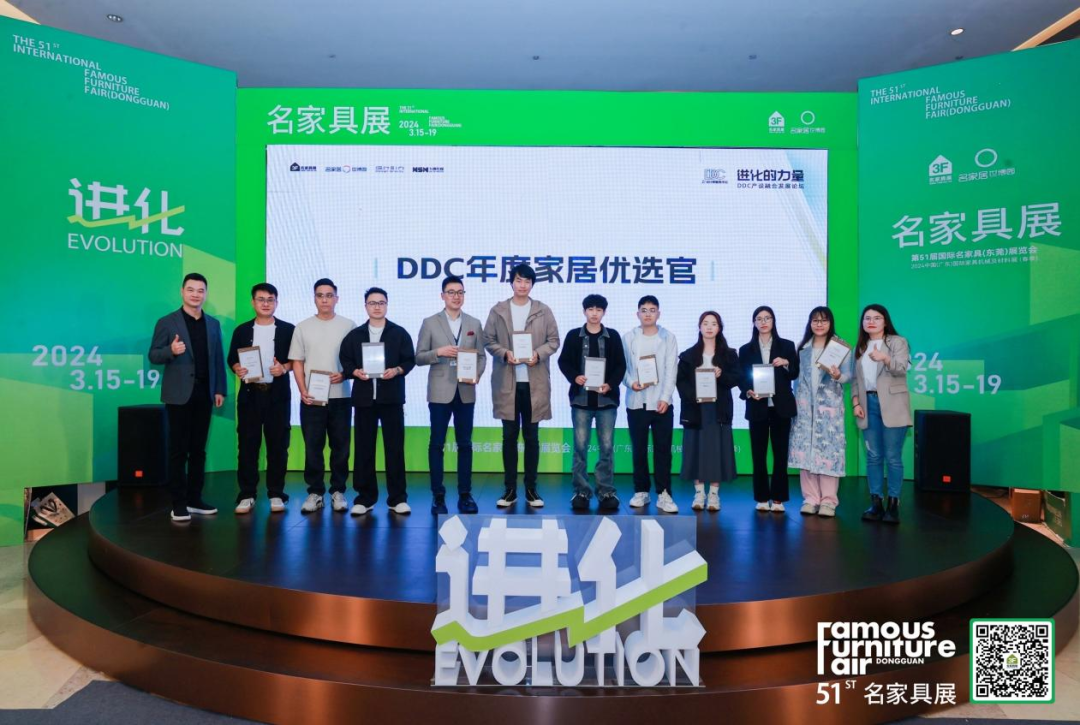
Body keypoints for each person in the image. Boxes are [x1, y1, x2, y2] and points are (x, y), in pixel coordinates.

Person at [147, 273, 226, 523]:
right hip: (178, 395)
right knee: (178, 451)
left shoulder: (213, 324)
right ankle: (178, 503)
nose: (195, 294)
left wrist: (219, 389)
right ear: (182, 292)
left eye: (200, 290)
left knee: (198, 451)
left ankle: (195, 499)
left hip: (205, 394)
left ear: (206, 294)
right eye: (191, 290)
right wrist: (170, 350)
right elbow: (153, 355)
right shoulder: (167, 322)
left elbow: (217, 358)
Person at [483, 263, 560, 508]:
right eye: (518, 280)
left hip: (534, 383)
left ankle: (531, 489)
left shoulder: (543, 311)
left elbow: (554, 341)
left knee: (531, 437)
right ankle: (509, 490)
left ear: (532, 284)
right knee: (509, 437)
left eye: (527, 281)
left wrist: (538, 354)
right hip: (507, 383)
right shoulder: (498, 310)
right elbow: (488, 340)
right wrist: (505, 353)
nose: (522, 285)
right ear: (511, 282)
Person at [339, 287, 416, 515]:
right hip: (364, 400)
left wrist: (398, 370)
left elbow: (409, 360)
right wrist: (354, 371)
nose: (377, 307)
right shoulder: (355, 335)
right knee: (364, 449)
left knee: (395, 449)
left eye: (381, 303)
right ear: (366, 306)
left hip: (391, 399)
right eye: (372, 303)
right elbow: (345, 359)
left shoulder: (399, 333)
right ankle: (365, 498)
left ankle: (397, 498)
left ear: (387, 305)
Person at [416, 275, 486, 514]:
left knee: (465, 444)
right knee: (437, 444)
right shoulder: (430, 322)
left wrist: (477, 374)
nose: (456, 296)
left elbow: (481, 356)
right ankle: (438, 496)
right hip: (439, 392)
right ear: (442, 295)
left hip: (466, 391)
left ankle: (465, 495)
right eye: (451, 292)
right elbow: (419, 357)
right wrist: (439, 352)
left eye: (460, 292)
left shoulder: (474, 323)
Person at [288, 278, 355, 514]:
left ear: (337, 298)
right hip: (312, 398)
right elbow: (297, 361)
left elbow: (356, 360)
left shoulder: (349, 325)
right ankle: (315, 492)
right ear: (314, 298)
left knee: (341, 447)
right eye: (320, 295)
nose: (324, 299)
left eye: (329, 295)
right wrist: (302, 390)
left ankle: (338, 491)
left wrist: (345, 374)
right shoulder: (302, 327)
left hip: (341, 396)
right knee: (313, 447)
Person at [227, 283, 295, 514]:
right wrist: (237, 367)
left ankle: (276, 493)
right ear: (253, 302)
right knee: (247, 446)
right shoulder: (242, 330)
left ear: (276, 302)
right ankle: (247, 494)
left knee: (278, 446)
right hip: (250, 395)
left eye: (270, 299)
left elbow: (297, 360)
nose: (266, 303)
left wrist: (284, 368)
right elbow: (232, 358)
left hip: (277, 396)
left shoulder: (288, 329)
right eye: (261, 299)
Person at [558, 294, 627, 512]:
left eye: (598, 310)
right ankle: (581, 491)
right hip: (581, 401)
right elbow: (563, 361)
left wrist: (610, 384)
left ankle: (606, 491)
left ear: (604, 312)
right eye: (590, 309)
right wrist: (575, 376)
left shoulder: (612, 336)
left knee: (606, 448)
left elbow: (621, 365)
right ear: (584, 311)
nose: (594, 313)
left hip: (606, 401)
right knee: (580, 448)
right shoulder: (574, 336)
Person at [788, 307, 851, 517]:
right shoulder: (803, 348)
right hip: (805, 408)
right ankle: (810, 498)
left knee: (829, 452)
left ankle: (829, 501)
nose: (819, 324)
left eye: (824, 320)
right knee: (805, 451)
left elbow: (848, 376)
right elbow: (796, 378)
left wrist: (837, 375)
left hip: (829, 408)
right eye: (815, 320)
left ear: (830, 323)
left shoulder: (839, 347)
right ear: (810, 323)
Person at [851, 304, 912, 524]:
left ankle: (893, 504)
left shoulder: (897, 342)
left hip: (893, 404)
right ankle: (876, 502)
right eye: (867, 318)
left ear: (885, 321)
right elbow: (856, 380)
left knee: (893, 456)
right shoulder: (860, 347)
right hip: (867, 405)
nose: (871, 322)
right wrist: (856, 403)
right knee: (874, 456)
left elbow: (901, 368)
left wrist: (884, 358)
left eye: (876, 318)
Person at [676, 311, 740, 512]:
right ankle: (698, 493)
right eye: (705, 323)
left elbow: (736, 378)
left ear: (719, 328)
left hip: (718, 409)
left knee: (716, 451)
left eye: (714, 323)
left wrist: (721, 375)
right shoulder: (688, 355)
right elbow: (680, 381)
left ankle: (713, 494)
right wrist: (693, 395)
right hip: (696, 408)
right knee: (695, 450)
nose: (709, 327)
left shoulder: (729, 354)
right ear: (700, 327)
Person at [738, 306, 799, 513]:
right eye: (759, 319)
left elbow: (794, 373)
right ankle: (762, 497)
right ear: (754, 323)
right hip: (757, 406)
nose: (763, 322)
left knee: (780, 455)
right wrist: (748, 391)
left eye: (767, 318)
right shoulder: (745, 349)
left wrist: (787, 363)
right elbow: (742, 377)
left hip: (781, 407)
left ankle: (779, 498)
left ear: (773, 321)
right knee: (758, 455)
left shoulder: (787, 345)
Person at [622, 295, 679, 513]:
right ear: (637, 314)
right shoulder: (629, 337)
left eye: (652, 310)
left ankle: (664, 493)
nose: (648, 314)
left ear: (658, 313)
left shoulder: (668, 337)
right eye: (644, 310)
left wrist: (665, 397)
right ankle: (641, 491)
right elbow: (622, 368)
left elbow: (671, 369)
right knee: (639, 449)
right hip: (636, 402)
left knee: (663, 450)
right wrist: (631, 383)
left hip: (661, 403)